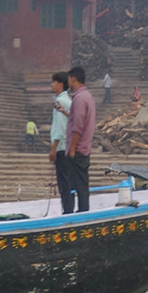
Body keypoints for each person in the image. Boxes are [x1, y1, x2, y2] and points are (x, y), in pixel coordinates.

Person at [62, 65, 96, 215]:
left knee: (75, 184)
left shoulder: (79, 99)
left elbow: (78, 127)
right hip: (84, 147)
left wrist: (72, 148)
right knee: (81, 183)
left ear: (73, 79)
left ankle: (80, 212)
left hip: (78, 149)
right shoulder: (87, 96)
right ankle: (82, 210)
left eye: (69, 79)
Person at [47, 71, 73, 207]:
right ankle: (69, 208)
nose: (52, 85)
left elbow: (60, 128)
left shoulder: (61, 102)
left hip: (61, 147)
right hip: (68, 146)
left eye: (54, 82)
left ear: (60, 84)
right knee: (69, 181)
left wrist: (53, 149)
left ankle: (67, 211)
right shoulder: (69, 101)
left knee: (64, 183)